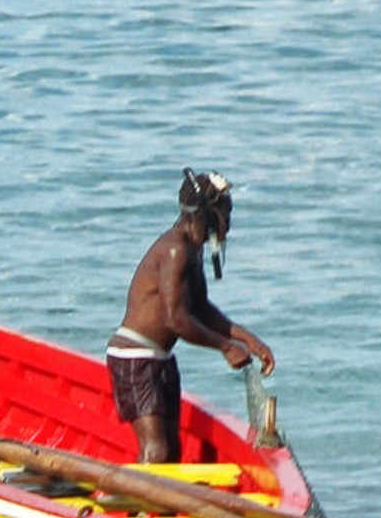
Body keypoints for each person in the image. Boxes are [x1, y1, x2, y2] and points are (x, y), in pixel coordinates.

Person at [107, 169, 273, 467]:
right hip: (135, 356)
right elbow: (177, 319)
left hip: (160, 358)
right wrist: (225, 347)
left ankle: (161, 506)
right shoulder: (175, 249)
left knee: (172, 453)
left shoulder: (192, 250)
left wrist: (249, 340)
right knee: (155, 451)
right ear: (204, 213)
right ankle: (142, 510)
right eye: (223, 211)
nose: (227, 219)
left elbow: (200, 308)